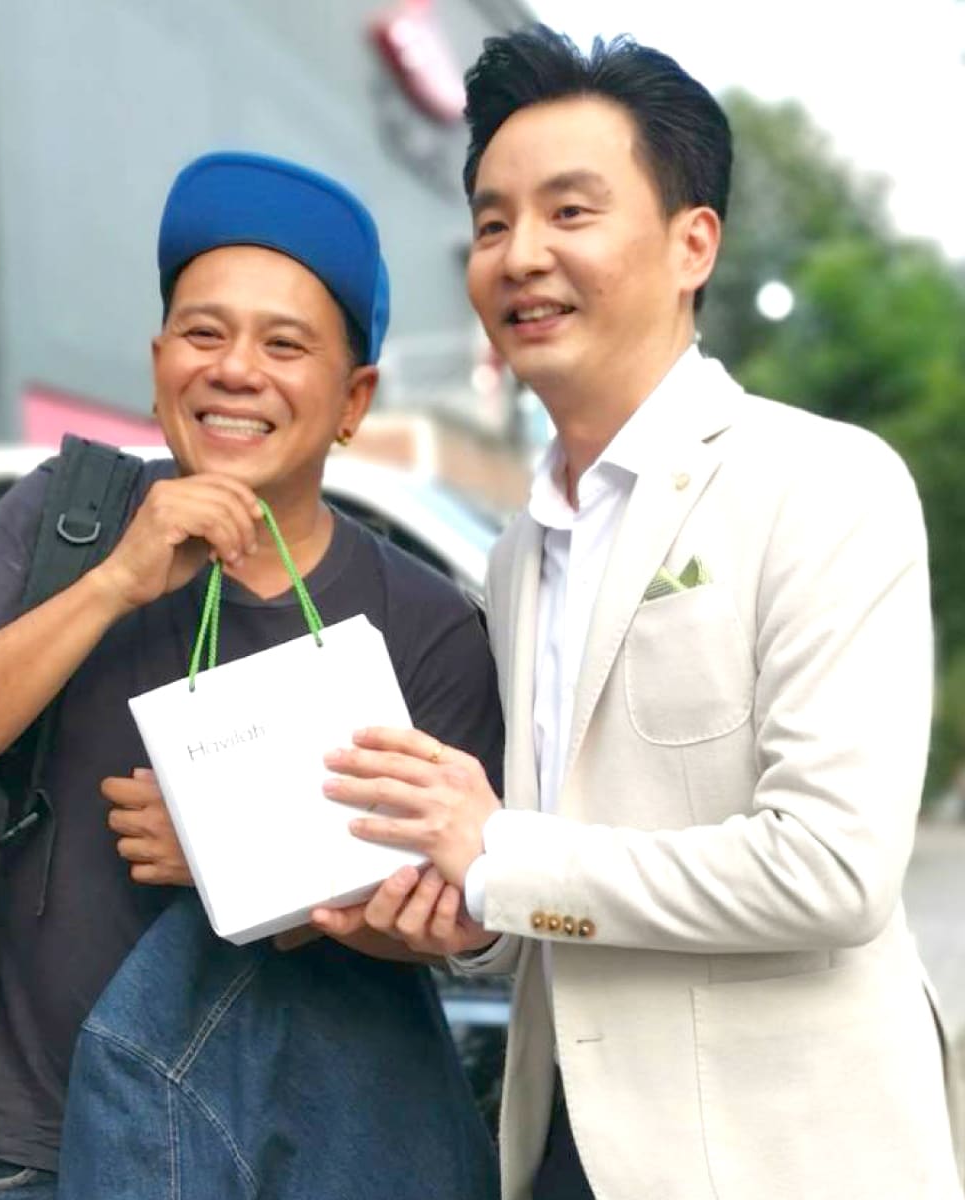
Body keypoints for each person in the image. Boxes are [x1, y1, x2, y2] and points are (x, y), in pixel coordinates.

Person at [314, 26, 965, 1200]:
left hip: (785, 1160)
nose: (521, 256)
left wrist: (497, 856)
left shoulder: (823, 482)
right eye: (493, 223)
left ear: (691, 244)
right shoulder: (519, 554)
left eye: (570, 212)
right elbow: (547, 880)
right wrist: (462, 917)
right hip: (564, 1149)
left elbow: (830, 869)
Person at [0, 150, 502, 1200]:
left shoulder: (425, 623)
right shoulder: (67, 521)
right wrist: (115, 582)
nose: (235, 370)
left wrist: (235, 848)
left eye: (284, 344)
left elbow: (464, 918)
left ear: (354, 399)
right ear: (159, 361)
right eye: (204, 334)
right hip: (43, 1150)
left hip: (315, 1161)